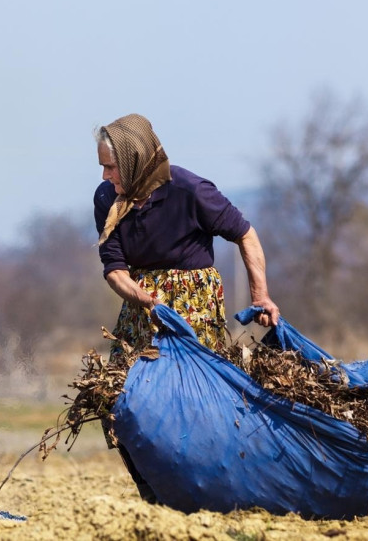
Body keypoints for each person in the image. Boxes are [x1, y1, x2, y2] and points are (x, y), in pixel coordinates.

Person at [93, 113, 279, 502]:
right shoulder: (107, 199)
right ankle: (151, 490)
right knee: (114, 398)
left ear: (134, 159)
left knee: (192, 403)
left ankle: (207, 489)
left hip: (192, 303)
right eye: (102, 167)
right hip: (142, 304)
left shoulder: (189, 189)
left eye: (111, 166)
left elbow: (245, 235)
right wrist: (143, 298)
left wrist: (260, 296)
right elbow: (114, 269)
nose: (106, 175)